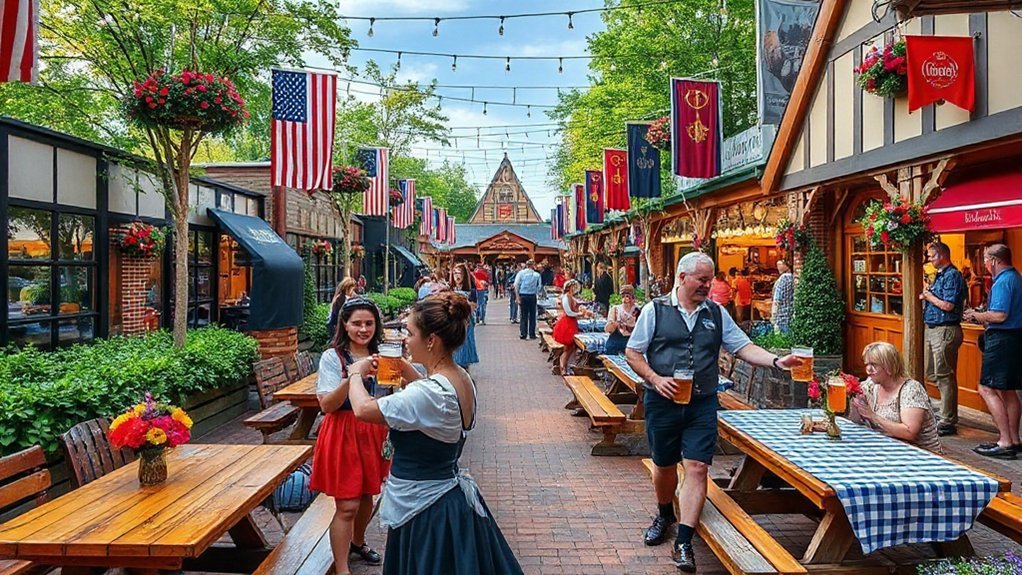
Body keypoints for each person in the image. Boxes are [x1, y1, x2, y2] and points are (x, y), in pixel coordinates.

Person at [625, 252, 801, 572]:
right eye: (702, 279)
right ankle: (664, 513)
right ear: (682, 278)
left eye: (710, 279)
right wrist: (654, 378)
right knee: (664, 465)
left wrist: (777, 361)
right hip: (662, 400)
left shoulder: (716, 313)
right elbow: (633, 352)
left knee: (696, 467)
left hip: (702, 401)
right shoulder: (655, 310)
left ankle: (684, 541)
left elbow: (742, 347)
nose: (708, 285)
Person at [346, 292, 524, 575]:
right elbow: (435, 398)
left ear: (431, 340)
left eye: (411, 332)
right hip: (444, 498)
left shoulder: (430, 393)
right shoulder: (460, 378)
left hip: (425, 511)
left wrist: (354, 373)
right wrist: (406, 369)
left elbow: (364, 409)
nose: (406, 339)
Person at [309, 297, 390, 574]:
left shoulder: (385, 355)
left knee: (368, 494)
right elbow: (326, 405)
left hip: (374, 432)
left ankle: (358, 541)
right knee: (347, 505)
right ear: (344, 324)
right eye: (356, 323)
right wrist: (354, 375)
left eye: (369, 323)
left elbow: (391, 394)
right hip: (343, 431)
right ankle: (342, 568)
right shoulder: (333, 357)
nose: (363, 329)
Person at [963, 244, 1022, 459]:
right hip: (1015, 338)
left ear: (995, 260)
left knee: (986, 388)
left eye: (986, 259)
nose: (985, 264)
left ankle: (1005, 441)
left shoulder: (1003, 281)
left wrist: (977, 315)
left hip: (1002, 338)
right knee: (1009, 390)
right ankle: (1014, 439)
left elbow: (999, 315)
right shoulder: (1016, 277)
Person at [851, 342, 943, 453]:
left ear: (889, 366)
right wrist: (854, 399)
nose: (868, 369)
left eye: (874, 365)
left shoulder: (911, 389)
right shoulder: (871, 384)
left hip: (921, 454)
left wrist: (873, 417)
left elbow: (909, 432)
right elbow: (856, 421)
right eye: (867, 364)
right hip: (886, 449)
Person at [919, 241, 965, 436]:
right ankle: (944, 413)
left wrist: (928, 297)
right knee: (932, 374)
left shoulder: (952, 275)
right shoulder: (939, 276)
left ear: (942, 255)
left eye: (931, 256)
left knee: (944, 376)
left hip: (945, 329)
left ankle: (948, 420)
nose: (929, 259)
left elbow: (948, 305)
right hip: (933, 328)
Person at [552, 280, 593, 376]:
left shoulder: (570, 297)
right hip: (567, 324)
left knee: (571, 347)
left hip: (572, 323)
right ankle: (563, 366)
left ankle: (564, 365)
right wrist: (580, 314)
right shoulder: (566, 297)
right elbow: (568, 312)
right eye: (574, 287)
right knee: (569, 347)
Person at [451, 264, 479, 370]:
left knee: (465, 342)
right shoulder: (450, 289)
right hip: (453, 321)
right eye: (455, 273)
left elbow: (473, 306)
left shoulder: (471, 291)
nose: (457, 276)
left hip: (466, 321)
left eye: (459, 273)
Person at [604, 284, 640, 356]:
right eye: (624, 295)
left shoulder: (637, 310)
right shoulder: (615, 309)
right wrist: (613, 324)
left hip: (631, 341)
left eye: (628, 295)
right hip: (615, 341)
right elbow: (607, 329)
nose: (626, 298)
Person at [514, 259, 542, 340]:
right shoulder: (537, 275)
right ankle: (532, 333)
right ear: (533, 265)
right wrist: (536, 292)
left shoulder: (521, 273)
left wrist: (517, 296)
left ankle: (523, 333)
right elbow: (539, 287)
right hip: (532, 296)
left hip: (523, 296)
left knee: (523, 315)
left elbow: (516, 284)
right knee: (532, 315)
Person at [771, 260, 794, 333]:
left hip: (781, 316)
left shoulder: (782, 280)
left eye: (779, 265)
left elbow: (777, 300)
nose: (778, 267)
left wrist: (773, 316)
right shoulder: (794, 278)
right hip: (791, 315)